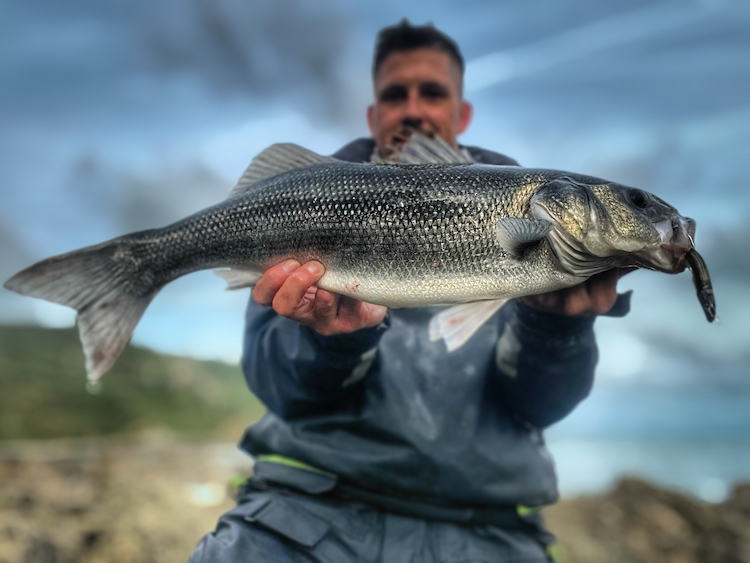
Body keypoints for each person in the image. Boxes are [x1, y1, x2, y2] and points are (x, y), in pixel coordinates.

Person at [191, 20, 628, 563]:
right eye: (395, 95)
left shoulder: (535, 222)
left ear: (461, 114)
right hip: (310, 508)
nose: (413, 109)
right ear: (374, 114)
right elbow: (278, 389)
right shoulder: (304, 201)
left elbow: (538, 406)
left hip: (485, 528)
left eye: (433, 93)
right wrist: (332, 341)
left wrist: (558, 328)